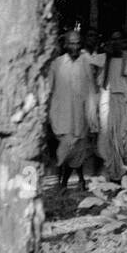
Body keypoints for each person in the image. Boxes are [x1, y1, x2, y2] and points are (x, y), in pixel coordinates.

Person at [47, 29, 99, 192]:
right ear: (65, 44)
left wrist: (93, 116)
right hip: (61, 117)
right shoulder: (56, 64)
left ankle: (66, 183)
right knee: (64, 151)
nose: (75, 47)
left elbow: (92, 89)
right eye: (72, 43)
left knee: (78, 151)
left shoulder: (87, 63)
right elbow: (48, 90)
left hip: (81, 117)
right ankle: (63, 183)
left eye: (78, 43)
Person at [96, 28, 127, 183]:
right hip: (109, 105)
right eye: (113, 39)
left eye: (119, 39)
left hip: (125, 105)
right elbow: (100, 84)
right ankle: (115, 175)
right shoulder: (104, 59)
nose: (116, 42)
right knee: (110, 142)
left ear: (123, 42)